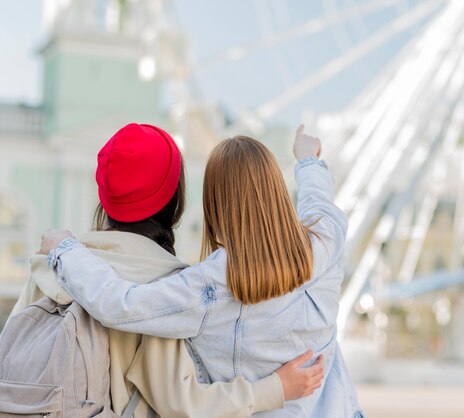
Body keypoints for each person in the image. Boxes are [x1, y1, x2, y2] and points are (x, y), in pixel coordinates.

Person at [41, 125, 364, 417]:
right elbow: (318, 199)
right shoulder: (326, 238)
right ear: (277, 189)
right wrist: (308, 158)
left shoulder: (207, 284)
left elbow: (121, 304)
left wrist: (65, 250)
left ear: (214, 204)